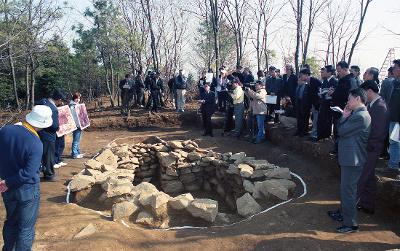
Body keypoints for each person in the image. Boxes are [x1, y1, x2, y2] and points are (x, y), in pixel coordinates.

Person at [0, 105, 53, 250]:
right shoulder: (36, 143)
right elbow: (29, 172)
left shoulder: (5, 130)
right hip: (27, 189)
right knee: (26, 228)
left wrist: (5, 180)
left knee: (11, 221)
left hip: (6, 186)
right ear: (42, 125)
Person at [328, 88, 371, 233]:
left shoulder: (361, 116)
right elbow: (341, 129)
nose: (347, 102)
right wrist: (345, 116)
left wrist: (345, 116)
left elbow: (341, 130)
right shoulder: (357, 114)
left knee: (348, 192)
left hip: (353, 160)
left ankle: (351, 224)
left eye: (349, 99)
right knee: (347, 191)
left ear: (358, 99)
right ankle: (346, 218)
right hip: (350, 158)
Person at [358, 80, 389, 214]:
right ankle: (367, 205)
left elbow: (378, 132)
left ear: (369, 91)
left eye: (364, 93)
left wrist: (365, 145)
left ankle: (347, 208)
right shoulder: (372, 104)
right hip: (369, 146)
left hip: (371, 148)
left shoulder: (380, 107)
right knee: (369, 177)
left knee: (361, 177)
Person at [329, 61, 358, 155]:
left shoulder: (350, 80)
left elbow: (348, 96)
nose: (338, 73)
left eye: (339, 70)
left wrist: (334, 93)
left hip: (345, 111)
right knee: (337, 130)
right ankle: (337, 149)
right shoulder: (343, 80)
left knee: (342, 131)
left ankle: (340, 151)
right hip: (339, 110)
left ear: (345, 69)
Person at [36, 90, 63, 181]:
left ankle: (38, 171)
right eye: (60, 101)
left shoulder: (42, 102)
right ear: (58, 100)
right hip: (48, 135)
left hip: (38, 132)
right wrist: (57, 128)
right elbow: (54, 125)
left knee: (39, 154)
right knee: (49, 155)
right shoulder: (53, 109)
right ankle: (49, 175)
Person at [379, 59, 400, 172]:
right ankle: (394, 164)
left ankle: (393, 166)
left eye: (395, 67)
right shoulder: (395, 83)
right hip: (393, 117)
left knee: (394, 142)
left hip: (397, 119)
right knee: (394, 142)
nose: (393, 69)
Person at [297, 68, 322, 141]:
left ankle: (315, 136)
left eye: (301, 75)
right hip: (313, 105)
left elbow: (321, 89)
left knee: (316, 120)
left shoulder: (315, 80)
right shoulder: (308, 83)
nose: (300, 77)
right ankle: (313, 134)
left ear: (307, 75)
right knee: (314, 119)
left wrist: (318, 100)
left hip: (318, 105)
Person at [317, 65, 338, 140]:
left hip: (330, 105)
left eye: (325, 71)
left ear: (329, 72)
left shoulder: (335, 81)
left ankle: (326, 136)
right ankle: (320, 136)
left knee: (327, 121)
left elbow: (335, 94)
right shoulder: (325, 81)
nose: (323, 72)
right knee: (321, 120)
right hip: (323, 104)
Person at [294, 69, 312, 137]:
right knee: (299, 118)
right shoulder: (297, 87)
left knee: (305, 118)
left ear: (302, 81)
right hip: (298, 104)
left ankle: (304, 132)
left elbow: (308, 97)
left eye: (299, 81)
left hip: (305, 105)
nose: (297, 82)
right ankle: (299, 130)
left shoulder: (307, 86)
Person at [69, 92, 84, 159]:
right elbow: (74, 117)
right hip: (76, 125)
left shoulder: (77, 105)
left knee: (77, 140)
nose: (78, 99)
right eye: (76, 98)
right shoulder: (72, 106)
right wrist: (78, 125)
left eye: (79, 98)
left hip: (79, 125)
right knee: (76, 140)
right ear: (74, 98)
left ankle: (77, 152)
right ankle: (74, 153)